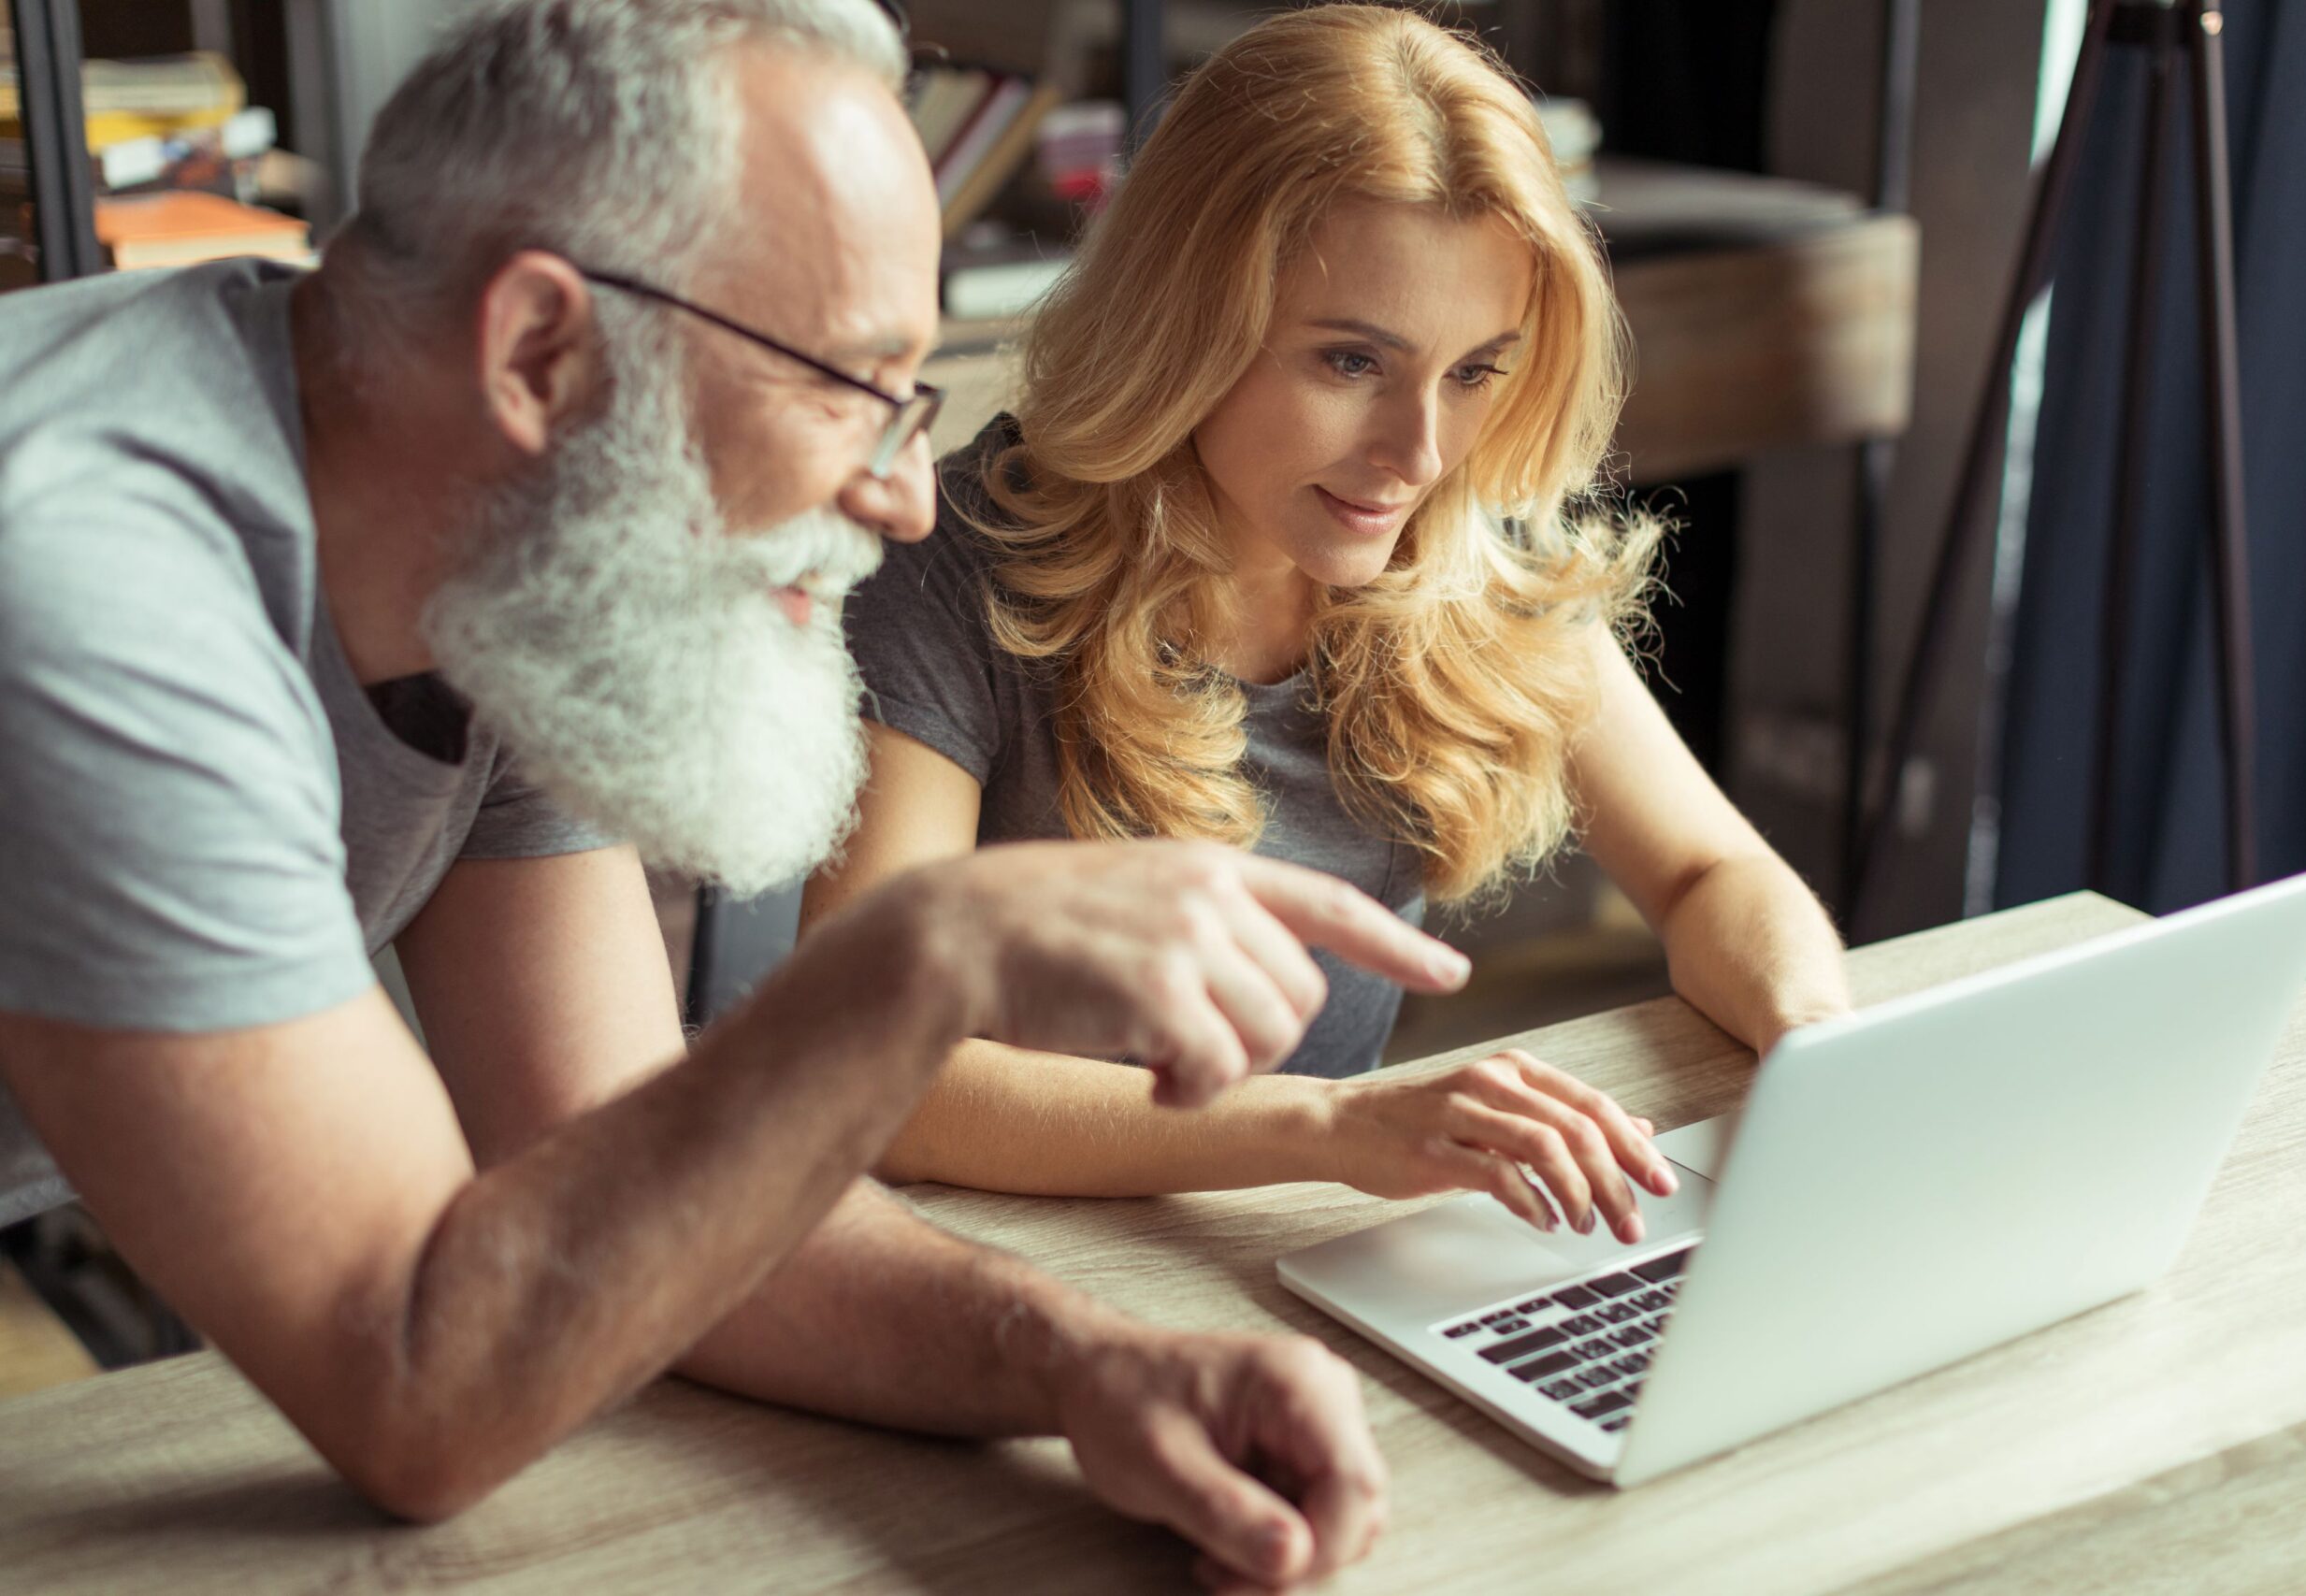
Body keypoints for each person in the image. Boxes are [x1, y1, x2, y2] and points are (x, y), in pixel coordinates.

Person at [0, 4, 1469, 1587]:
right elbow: (416, 1383)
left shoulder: (505, 551)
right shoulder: (91, 592)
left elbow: (637, 1193)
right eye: (857, 383)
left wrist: (1091, 1366)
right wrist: (917, 963)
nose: (910, 499)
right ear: (542, 352)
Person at [813, 4, 1854, 1242]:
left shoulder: (1456, 548)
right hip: (987, 1256)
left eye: (1474, 372)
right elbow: (874, 1074)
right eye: (1351, 364)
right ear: (1188, 320)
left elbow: (1709, 874)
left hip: (1280, 1241)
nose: (1416, 456)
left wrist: (1817, 1051)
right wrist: (1324, 1132)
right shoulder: (959, 565)